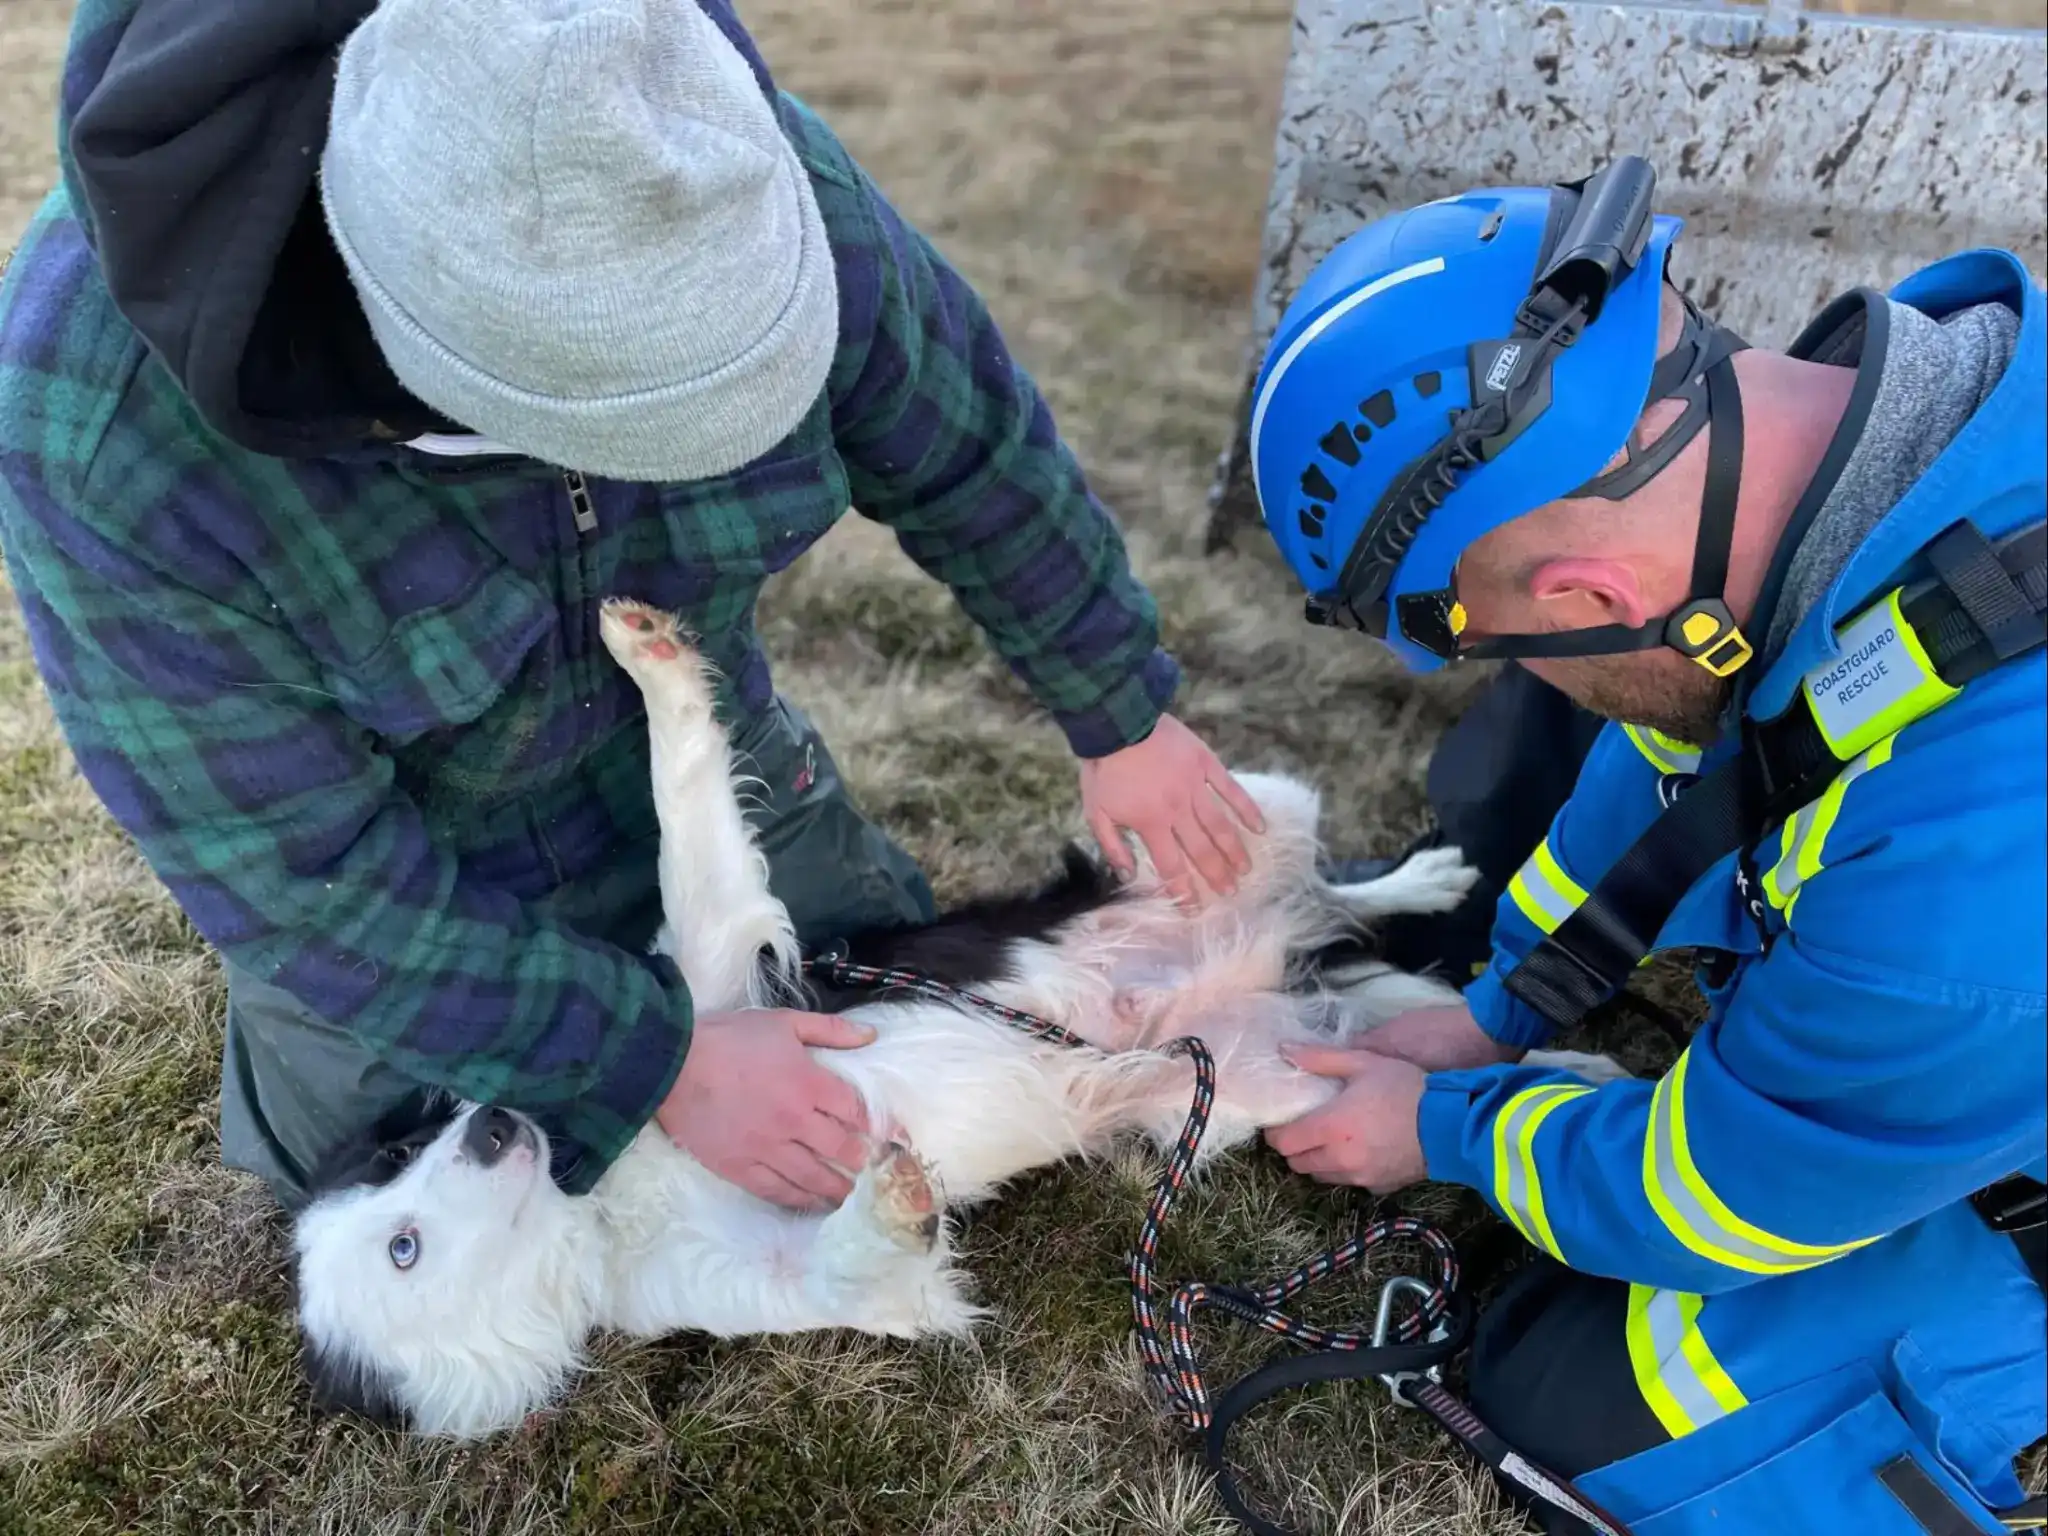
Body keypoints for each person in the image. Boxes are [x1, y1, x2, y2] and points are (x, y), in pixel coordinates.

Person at [0, 0, 1263, 1216]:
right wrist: (656, 1064)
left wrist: (1117, 711)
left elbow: (964, 443)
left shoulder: (712, 157)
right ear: (443, 380)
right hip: (407, 874)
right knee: (438, 1212)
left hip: (705, 763)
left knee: (911, 1033)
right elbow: (297, 878)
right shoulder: (104, 435)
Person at [1246, 159, 2046, 1533]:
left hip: (1977, 977)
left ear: (1588, 590)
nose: (1535, 682)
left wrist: (1443, 1132)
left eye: (1516, 649)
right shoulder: (1882, 453)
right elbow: (1705, 750)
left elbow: (1726, 1196)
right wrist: (1502, 1010)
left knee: (1600, 1400)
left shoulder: (1969, 863)